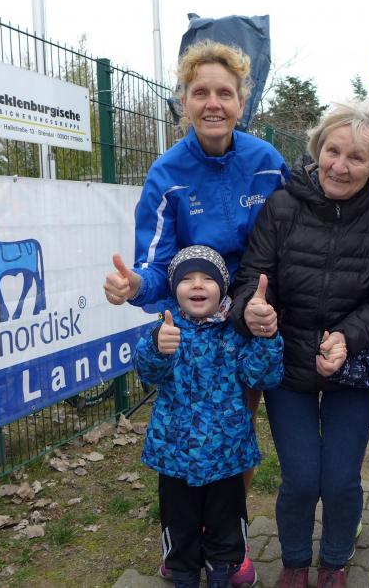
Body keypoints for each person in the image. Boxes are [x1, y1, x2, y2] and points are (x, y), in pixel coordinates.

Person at [102, 39, 289, 586]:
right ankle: (188, 543)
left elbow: (298, 228)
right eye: (200, 92)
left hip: (253, 317)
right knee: (193, 433)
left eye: (224, 93)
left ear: (241, 102)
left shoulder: (266, 162)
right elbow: (155, 261)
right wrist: (136, 284)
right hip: (195, 323)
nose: (213, 103)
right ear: (183, 101)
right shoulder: (167, 172)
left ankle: (227, 542)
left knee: (236, 432)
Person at [231, 99, 369, 588]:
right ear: (318, 150)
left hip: (352, 367)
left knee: (340, 480)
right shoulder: (281, 206)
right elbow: (252, 277)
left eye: (356, 158)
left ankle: (334, 563)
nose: (340, 166)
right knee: (300, 479)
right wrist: (252, 308)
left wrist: (348, 338)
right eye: (333, 151)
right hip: (288, 365)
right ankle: (293, 564)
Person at [133, 246, 284, 588]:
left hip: (227, 457)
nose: (197, 285)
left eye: (207, 278)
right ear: (175, 289)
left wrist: (267, 338)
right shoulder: (166, 329)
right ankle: (184, 574)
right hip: (175, 458)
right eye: (187, 279)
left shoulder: (236, 332)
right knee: (180, 531)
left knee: (226, 533)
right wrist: (156, 347)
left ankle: (223, 573)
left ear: (223, 287)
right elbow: (147, 373)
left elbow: (262, 376)